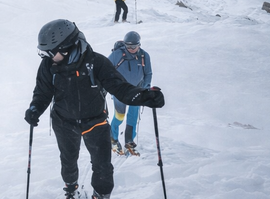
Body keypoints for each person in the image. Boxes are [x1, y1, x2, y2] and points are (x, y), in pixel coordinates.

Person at [24, 19, 165, 199]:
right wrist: (35, 108)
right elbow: (43, 92)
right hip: (64, 122)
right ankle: (71, 188)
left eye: (50, 52)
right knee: (68, 162)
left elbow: (120, 88)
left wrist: (144, 95)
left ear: (66, 47)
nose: (46, 57)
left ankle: (101, 195)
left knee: (103, 167)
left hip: (95, 122)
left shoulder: (96, 63)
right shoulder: (49, 66)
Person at [108, 32, 153, 156]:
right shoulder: (117, 55)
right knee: (119, 116)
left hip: (136, 91)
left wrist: (146, 88)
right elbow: (105, 69)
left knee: (133, 117)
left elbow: (148, 73)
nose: (131, 49)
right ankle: (113, 139)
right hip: (120, 92)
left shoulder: (144, 56)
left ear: (139, 44)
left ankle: (129, 141)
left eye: (134, 47)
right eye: (128, 47)